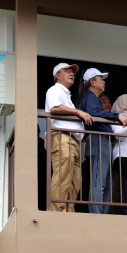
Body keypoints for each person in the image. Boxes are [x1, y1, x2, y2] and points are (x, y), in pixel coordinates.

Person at [79, 68, 127, 214]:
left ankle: (103, 214)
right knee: (99, 181)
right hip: (98, 140)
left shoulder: (92, 98)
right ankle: (96, 215)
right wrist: (117, 116)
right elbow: (94, 113)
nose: (104, 81)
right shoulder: (89, 96)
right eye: (100, 78)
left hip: (104, 141)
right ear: (92, 82)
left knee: (108, 184)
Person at [45, 62, 91, 212]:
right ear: (57, 75)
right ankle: (57, 212)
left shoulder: (66, 94)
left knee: (75, 181)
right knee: (63, 175)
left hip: (73, 140)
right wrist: (78, 112)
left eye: (73, 72)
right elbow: (54, 107)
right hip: (61, 136)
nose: (72, 73)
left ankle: (68, 213)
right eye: (67, 71)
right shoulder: (55, 90)